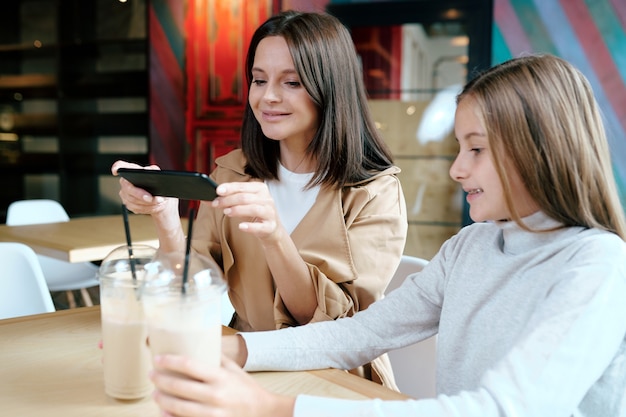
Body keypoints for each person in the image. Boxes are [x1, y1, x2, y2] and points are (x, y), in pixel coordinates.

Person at [148, 53, 626, 417]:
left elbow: (500, 410)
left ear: (539, 150)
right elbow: (362, 333)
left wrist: (276, 408)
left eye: (477, 150)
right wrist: (229, 348)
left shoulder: (597, 265)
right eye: (460, 148)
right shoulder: (471, 247)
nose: (458, 170)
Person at [111, 10, 407, 387]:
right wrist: (166, 216)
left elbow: (331, 332)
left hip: (337, 380)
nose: (268, 97)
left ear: (330, 87)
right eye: (259, 79)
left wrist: (274, 237)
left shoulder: (374, 192)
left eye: (293, 82)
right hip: (243, 363)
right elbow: (193, 285)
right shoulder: (234, 171)